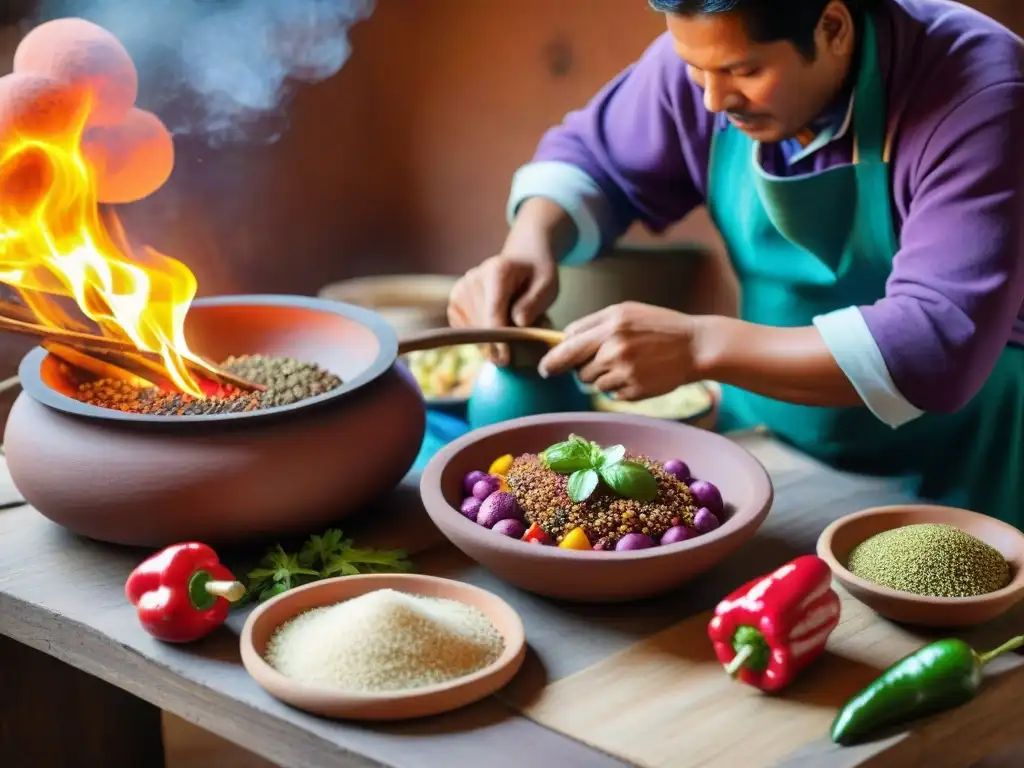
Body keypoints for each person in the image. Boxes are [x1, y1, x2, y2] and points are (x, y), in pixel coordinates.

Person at [446, 0, 1024, 525]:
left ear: (832, 27)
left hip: (970, 450)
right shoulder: (709, 55)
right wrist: (530, 241)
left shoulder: (980, 92)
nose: (713, 101)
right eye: (695, 70)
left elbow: (938, 340)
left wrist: (700, 347)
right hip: (772, 422)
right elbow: (591, 158)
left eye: (745, 72)